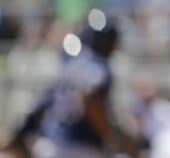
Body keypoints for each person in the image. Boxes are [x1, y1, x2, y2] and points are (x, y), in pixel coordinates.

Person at [1, 10, 140, 158]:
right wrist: (110, 136)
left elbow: (43, 104)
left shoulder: (71, 65)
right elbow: (90, 98)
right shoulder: (98, 65)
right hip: (80, 147)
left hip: (51, 143)